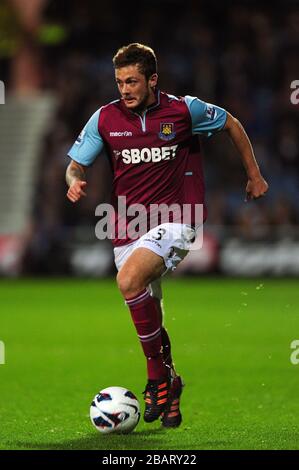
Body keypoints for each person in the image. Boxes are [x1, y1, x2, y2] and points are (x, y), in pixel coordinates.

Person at [66, 43, 268, 427]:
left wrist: (254, 174)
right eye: (120, 81)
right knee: (149, 310)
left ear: (152, 80)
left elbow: (231, 124)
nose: (124, 89)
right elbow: (75, 165)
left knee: (128, 281)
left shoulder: (183, 110)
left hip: (179, 217)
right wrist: (74, 181)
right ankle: (171, 382)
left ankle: (156, 377)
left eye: (132, 81)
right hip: (125, 227)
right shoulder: (105, 119)